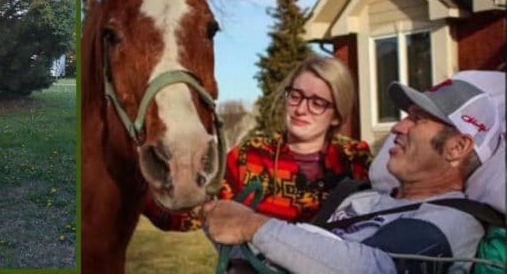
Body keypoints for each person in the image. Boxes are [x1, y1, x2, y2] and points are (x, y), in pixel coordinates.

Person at [201, 74, 503, 273]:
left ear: (457, 147)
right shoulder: (362, 200)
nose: (397, 127)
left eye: (418, 120)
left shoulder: (452, 221)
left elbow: (374, 267)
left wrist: (252, 226)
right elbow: (304, 255)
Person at [143, 56, 371, 263]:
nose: (301, 109)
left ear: (337, 115)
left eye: (317, 102)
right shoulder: (250, 156)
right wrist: (139, 182)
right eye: (296, 96)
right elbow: (187, 213)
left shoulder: (354, 161)